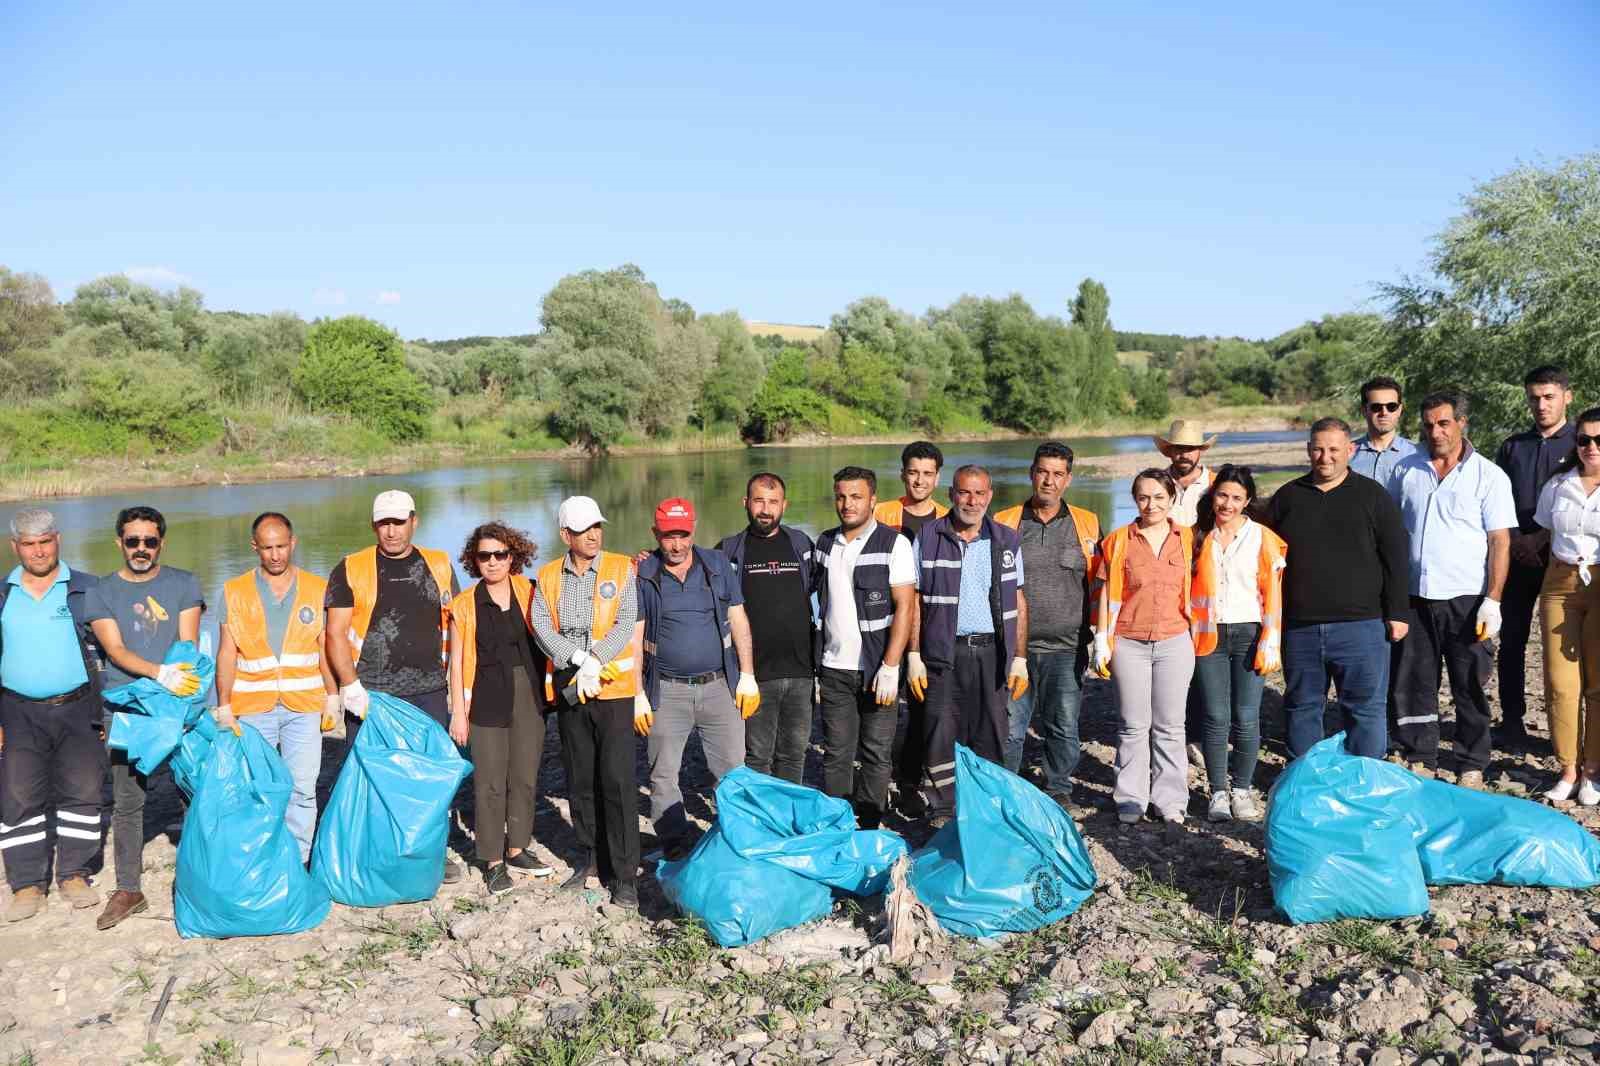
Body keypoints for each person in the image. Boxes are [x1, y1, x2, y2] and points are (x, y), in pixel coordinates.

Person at [324, 489, 463, 883]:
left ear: (413, 521)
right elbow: (334, 634)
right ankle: (374, 854)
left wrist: (460, 687)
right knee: (370, 776)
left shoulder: (438, 564)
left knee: (430, 775)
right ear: (373, 526)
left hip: (429, 688)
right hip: (372, 693)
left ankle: (431, 854)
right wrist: (349, 686)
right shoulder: (350, 568)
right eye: (384, 523)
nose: (391, 531)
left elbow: (459, 622)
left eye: (398, 522)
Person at [1388, 391, 1517, 786]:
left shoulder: (1489, 476)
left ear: (1462, 423)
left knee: (1469, 682)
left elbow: (1500, 541)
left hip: (1466, 598)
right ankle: (1419, 753)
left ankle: (1472, 760)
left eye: (1444, 423)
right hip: (1414, 596)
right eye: (1428, 425)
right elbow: (1392, 531)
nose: (1435, 431)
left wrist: (1492, 599)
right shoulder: (1406, 471)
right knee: (1413, 680)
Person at [85, 505, 204, 930]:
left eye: (149, 541)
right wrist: (159, 674)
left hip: (177, 706)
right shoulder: (100, 593)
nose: (141, 548)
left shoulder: (184, 584)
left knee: (190, 791)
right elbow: (114, 651)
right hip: (128, 709)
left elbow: (187, 645)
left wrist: (176, 683)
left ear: (161, 543)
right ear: (119, 542)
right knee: (127, 801)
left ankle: (197, 875)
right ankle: (129, 888)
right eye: (132, 540)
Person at [1267, 419, 1410, 761]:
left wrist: (1398, 613)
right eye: (1318, 449)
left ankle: (1364, 782)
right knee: (1302, 708)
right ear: (1308, 450)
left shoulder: (1372, 496)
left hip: (1362, 626)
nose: (1325, 457)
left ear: (1350, 450)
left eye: (1333, 450)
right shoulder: (1288, 497)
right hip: (1300, 626)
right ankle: (1306, 783)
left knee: (1365, 710)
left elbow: (1396, 556)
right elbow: (1266, 559)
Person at [530, 495, 642, 908]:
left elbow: (625, 620)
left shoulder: (620, 567)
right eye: (582, 530)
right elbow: (541, 626)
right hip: (570, 685)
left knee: (616, 779)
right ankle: (591, 858)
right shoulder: (546, 576)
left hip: (611, 687)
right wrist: (577, 659)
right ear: (565, 535)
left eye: (596, 527)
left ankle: (625, 872)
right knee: (580, 778)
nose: (593, 535)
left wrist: (596, 660)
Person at [637, 498, 759, 858]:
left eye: (683, 535)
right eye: (668, 536)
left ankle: (736, 842)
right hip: (667, 690)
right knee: (662, 775)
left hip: (719, 685)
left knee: (733, 772)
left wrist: (747, 675)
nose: (677, 544)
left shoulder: (718, 565)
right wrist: (636, 694)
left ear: (694, 529)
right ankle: (675, 846)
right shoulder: (642, 574)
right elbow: (634, 634)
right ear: (655, 534)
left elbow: (738, 620)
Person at [213, 512, 338, 864]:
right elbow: (226, 651)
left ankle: (298, 859)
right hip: (253, 707)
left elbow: (325, 646)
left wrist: (333, 696)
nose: (276, 555)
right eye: (267, 548)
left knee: (302, 787)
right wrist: (223, 705)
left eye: (282, 546)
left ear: (293, 542)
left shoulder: (317, 588)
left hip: (304, 706)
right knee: (259, 788)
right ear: (255, 547)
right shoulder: (233, 591)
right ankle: (263, 858)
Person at [908, 465, 1029, 827]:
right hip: (942, 652)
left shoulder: (1007, 540)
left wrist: (1019, 657)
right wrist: (913, 655)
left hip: (992, 652)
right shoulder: (929, 537)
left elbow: (1018, 599)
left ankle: (987, 805)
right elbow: (914, 599)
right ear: (951, 494)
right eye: (964, 492)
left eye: (979, 493)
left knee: (991, 730)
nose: (971, 501)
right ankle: (943, 808)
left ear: (990, 496)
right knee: (939, 728)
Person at [0, 509, 105, 923]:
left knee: (83, 788)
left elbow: (113, 651)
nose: (38, 550)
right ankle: (27, 884)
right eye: (29, 543)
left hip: (78, 706)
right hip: (17, 710)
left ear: (57, 540)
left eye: (45, 541)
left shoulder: (85, 589)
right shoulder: (4, 594)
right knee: (18, 794)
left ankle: (74, 873)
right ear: (15, 547)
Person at [447, 521, 554, 895]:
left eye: (500, 554)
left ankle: (518, 848)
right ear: (474, 561)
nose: (492, 562)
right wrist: (458, 713)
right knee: (489, 782)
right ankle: (492, 860)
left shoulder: (532, 591)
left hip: (529, 693)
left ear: (514, 556)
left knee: (524, 776)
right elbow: (456, 664)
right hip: (486, 696)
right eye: (484, 556)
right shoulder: (463, 605)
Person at [993, 442, 1099, 806]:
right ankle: (1007, 792)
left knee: (1063, 726)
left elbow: (1099, 583)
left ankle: (1058, 790)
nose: (1048, 481)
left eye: (1057, 474)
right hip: (1013, 650)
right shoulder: (1005, 521)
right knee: (1010, 729)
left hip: (1067, 648)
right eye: (1043, 472)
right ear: (1031, 473)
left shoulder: (1087, 524)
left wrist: (1101, 638)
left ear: (1068, 479)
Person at [814, 467, 915, 830]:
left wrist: (891, 666)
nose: (847, 504)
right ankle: (838, 822)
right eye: (841, 496)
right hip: (833, 667)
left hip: (876, 668)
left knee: (875, 751)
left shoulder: (894, 544)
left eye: (856, 496)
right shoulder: (825, 543)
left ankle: (871, 822)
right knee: (837, 752)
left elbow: (906, 606)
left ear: (873, 499)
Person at [1093, 470, 1194, 825]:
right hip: (1129, 641)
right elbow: (1106, 590)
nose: (1151, 505)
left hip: (1175, 640)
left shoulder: (1188, 539)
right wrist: (1101, 638)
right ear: (1135, 499)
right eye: (1143, 497)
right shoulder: (1119, 540)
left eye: (1159, 497)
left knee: (1170, 725)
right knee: (1133, 725)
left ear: (1172, 499)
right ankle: (1131, 799)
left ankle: (1170, 801)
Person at [1190, 466, 1285, 821]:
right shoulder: (1197, 536)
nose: (1227, 504)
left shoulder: (1263, 538)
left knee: (1246, 717)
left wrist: (1270, 637)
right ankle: (1217, 793)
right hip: (1208, 635)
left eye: (1236, 498)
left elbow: (1273, 592)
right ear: (1212, 495)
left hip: (1250, 633)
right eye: (1222, 495)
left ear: (1248, 501)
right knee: (1215, 716)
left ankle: (1242, 791)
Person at [716, 473, 817, 784]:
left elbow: (821, 594)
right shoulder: (728, 551)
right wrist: (649, 559)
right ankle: (761, 822)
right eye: (758, 500)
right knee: (758, 755)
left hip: (801, 673)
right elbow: (690, 573)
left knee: (794, 753)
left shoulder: (801, 544)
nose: (765, 509)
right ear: (745, 503)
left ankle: (789, 819)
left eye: (773, 502)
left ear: (784, 505)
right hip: (754, 675)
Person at [1495, 365, 1575, 747]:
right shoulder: (1514, 446)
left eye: (1549, 397)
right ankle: (1512, 721)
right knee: (1511, 639)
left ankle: (1572, 727)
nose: (1541, 405)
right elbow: (1496, 501)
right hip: (1517, 556)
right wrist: (1514, 541)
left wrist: (1545, 539)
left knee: (1567, 645)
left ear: (1566, 397)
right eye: (1534, 398)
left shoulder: (1584, 443)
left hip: (1564, 558)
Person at [873, 440, 949, 810]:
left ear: (937, 477)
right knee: (880, 704)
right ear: (903, 473)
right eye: (913, 472)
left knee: (923, 707)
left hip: (931, 627)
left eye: (927, 474)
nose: (919, 481)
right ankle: (876, 775)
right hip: (884, 624)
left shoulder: (948, 518)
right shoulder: (882, 512)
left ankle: (910, 779)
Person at [1534, 407, 1600, 804]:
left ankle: (1593, 768)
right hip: (1559, 583)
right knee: (1560, 682)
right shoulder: (1558, 486)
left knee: (1597, 682)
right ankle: (1568, 767)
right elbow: (1543, 531)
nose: (1592, 447)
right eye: (1584, 439)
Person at [1350, 376, 1419, 483]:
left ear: (1399, 410)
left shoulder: (1417, 454)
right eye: (1376, 407)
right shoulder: (1345, 454)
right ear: (1364, 410)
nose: (1384, 413)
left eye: (1391, 406)